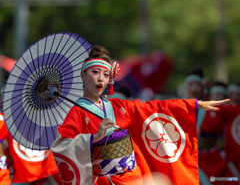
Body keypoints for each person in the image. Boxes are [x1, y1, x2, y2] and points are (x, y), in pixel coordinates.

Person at [51, 46, 229, 185]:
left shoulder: (119, 106)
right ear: (83, 75)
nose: (100, 79)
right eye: (95, 73)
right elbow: (62, 145)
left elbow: (154, 108)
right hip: (105, 179)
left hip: (133, 175)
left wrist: (192, 105)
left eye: (105, 74)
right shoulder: (77, 112)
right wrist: (94, 137)